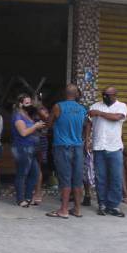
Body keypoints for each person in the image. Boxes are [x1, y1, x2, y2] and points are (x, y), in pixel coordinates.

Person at [46, 83, 87, 219]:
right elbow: (86, 126)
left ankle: (63, 210)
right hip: (78, 147)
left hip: (63, 147)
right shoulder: (82, 109)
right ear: (76, 95)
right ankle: (77, 209)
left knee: (65, 179)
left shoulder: (58, 106)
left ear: (65, 94)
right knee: (77, 180)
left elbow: (49, 124)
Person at [88, 85, 127, 217]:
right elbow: (88, 122)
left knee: (116, 177)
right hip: (99, 146)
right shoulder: (94, 106)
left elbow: (117, 117)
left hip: (115, 147)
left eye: (108, 95)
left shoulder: (121, 106)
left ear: (115, 95)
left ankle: (114, 206)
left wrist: (99, 113)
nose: (105, 97)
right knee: (100, 177)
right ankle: (102, 204)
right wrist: (87, 139)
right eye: (103, 94)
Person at [11, 94, 46, 208]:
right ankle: (20, 199)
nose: (29, 105)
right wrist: (35, 126)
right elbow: (23, 133)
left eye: (30, 103)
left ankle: (28, 197)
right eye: (27, 103)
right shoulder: (18, 116)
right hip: (22, 148)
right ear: (20, 104)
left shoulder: (26, 114)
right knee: (22, 174)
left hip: (31, 148)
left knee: (35, 174)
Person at [31, 101, 51, 206]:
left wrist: (39, 108)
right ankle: (35, 192)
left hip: (40, 142)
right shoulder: (32, 113)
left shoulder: (43, 112)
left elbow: (46, 119)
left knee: (37, 168)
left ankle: (37, 193)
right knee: (33, 168)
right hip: (34, 142)